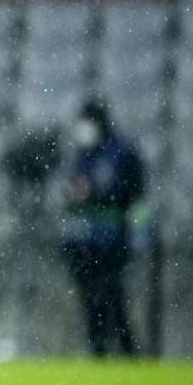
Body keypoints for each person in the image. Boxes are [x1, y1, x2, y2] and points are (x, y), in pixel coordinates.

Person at [61, 99, 145, 357]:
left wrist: (96, 195)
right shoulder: (83, 154)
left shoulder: (122, 154)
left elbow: (133, 196)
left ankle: (126, 353)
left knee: (112, 299)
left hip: (112, 241)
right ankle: (98, 353)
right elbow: (73, 192)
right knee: (90, 302)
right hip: (84, 241)